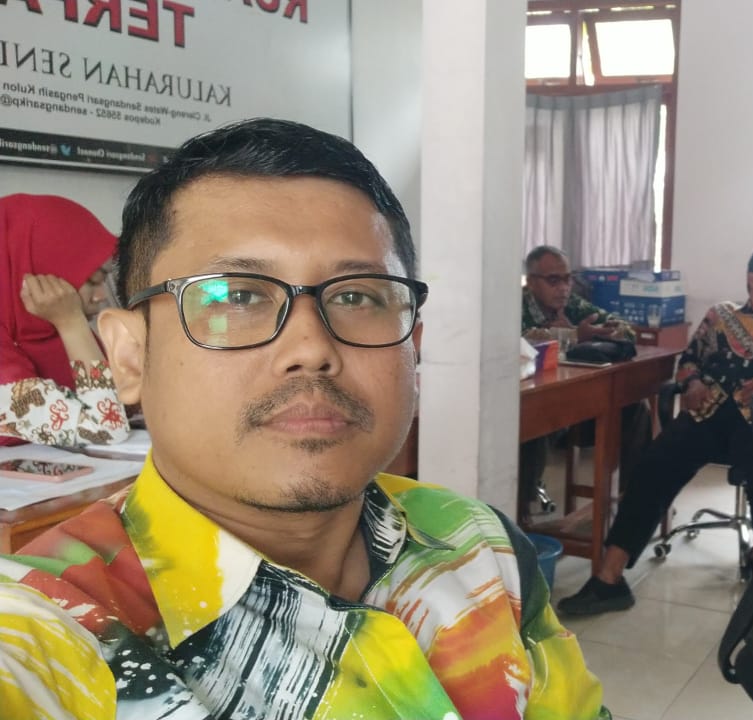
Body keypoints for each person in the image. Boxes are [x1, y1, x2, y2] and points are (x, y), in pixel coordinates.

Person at [0, 119, 607, 720]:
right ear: (131, 356)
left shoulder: (481, 545)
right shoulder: (47, 630)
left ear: (412, 347)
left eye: (356, 296)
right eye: (236, 295)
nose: (312, 347)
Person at [557, 247, 753, 617]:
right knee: (654, 465)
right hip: (710, 415)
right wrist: (691, 383)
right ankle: (609, 579)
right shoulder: (721, 315)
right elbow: (689, 360)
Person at [518, 244, 650, 509]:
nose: (563, 288)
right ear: (531, 282)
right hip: (535, 399)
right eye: (554, 280)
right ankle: (521, 511)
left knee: (636, 405)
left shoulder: (572, 304)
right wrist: (574, 335)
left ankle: (635, 498)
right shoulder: (516, 305)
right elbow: (525, 343)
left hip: (575, 397)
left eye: (568, 279)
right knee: (534, 420)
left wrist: (602, 332)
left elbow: (626, 330)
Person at [0, 194, 128, 447]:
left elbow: (134, 406)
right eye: (92, 281)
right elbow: (105, 429)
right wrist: (71, 323)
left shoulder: (48, 338)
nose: (101, 296)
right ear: (33, 278)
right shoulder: (70, 326)